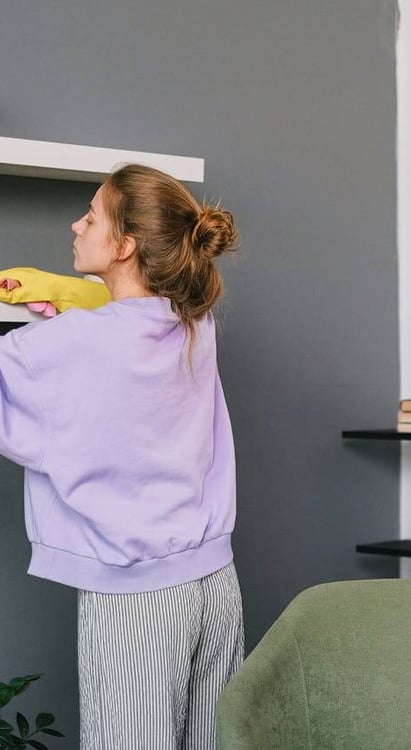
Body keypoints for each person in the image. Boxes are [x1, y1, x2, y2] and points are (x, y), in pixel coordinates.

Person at [0, 163, 243, 749]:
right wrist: (78, 293)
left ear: (125, 244)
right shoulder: (192, 322)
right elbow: (124, 310)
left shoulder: (64, 347)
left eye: (90, 217)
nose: (75, 225)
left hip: (135, 597)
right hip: (214, 583)